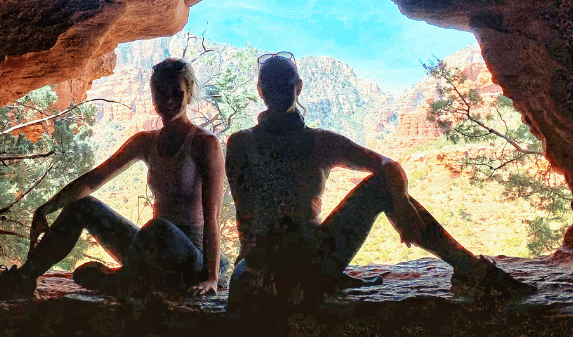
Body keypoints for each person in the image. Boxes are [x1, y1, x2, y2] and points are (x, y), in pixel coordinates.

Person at [224, 53, 533, 308]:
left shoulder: (304, 142)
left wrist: (400, 200)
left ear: (298, 87)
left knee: (385, 184)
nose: (278, 91)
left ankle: (469, 269)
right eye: (271, 85)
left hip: (298, 258)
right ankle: (470, 270)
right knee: (383, 187)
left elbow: (389, 165)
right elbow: (245, 215)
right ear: (262, 90)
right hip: (305, 261)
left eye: (285, 84)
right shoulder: (258, 144)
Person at [0, 58, 226, 301]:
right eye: (161, 93)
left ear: (189, 94)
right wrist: (47, 207)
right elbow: (93, 180)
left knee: (159, 227)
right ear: (152, 96)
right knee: (84, 205)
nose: (168, 100)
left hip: (190, 257)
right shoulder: (146, 142)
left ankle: (124, 281)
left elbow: (212, 216)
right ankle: (24, 278)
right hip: (148, 251)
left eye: (177, 93)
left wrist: (212, 278)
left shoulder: (204, 144)